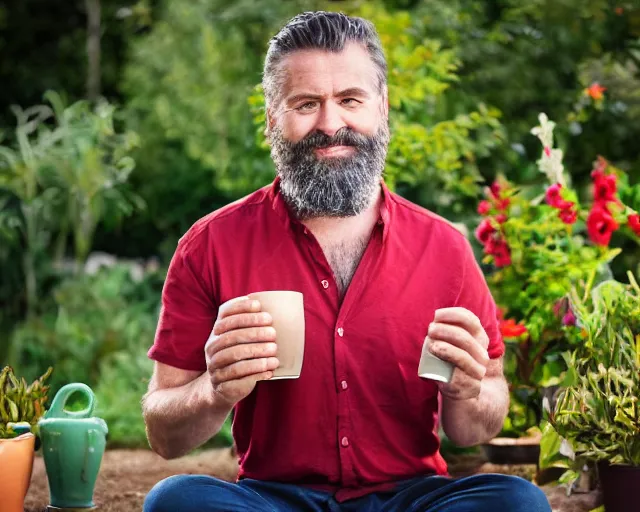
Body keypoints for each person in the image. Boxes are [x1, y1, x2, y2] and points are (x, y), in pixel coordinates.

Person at [142, 11, 551, 512]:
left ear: (381, 108)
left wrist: (469, 390)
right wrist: (213, 390)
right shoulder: (210, 245)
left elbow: (477, 422)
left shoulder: (443, 247)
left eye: (350, 100)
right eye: (306, 104)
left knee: (517, 502)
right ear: (273, 116)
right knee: (176, 501)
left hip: (412, 499)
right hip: (274, 500)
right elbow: (164, 432)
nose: (331, 124)